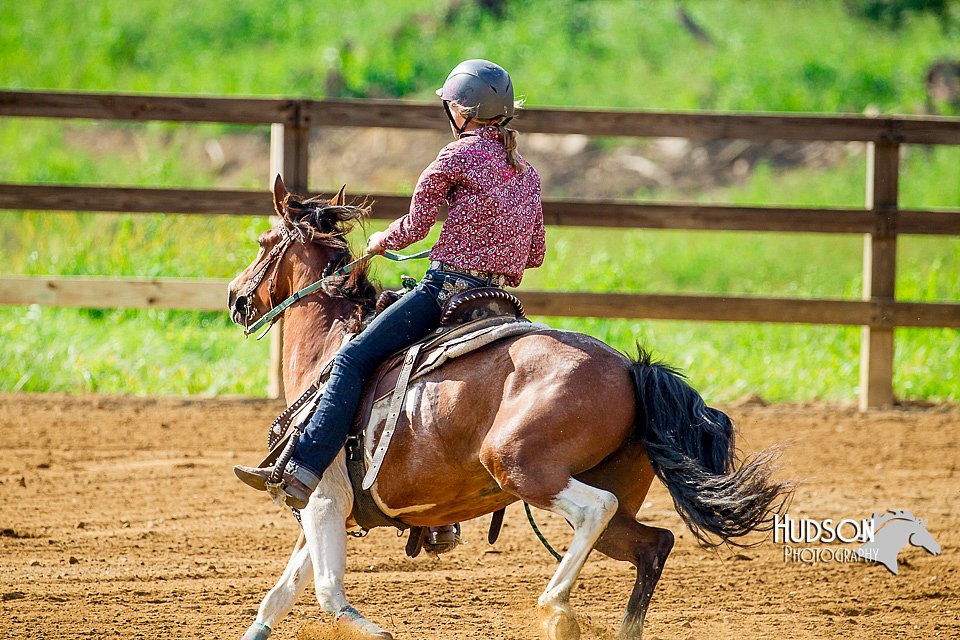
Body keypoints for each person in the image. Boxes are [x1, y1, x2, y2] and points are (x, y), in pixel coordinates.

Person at [236, 59, 545, 550]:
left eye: (449, 105)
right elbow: (534, 255)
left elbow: (416, 227)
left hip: (445, 293)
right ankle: (440, 515)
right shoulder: (526, 173)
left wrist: (382, 239)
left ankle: (303, 468)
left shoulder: (454, 158)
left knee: (353, 359)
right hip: (499, 303)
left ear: (463, 110)